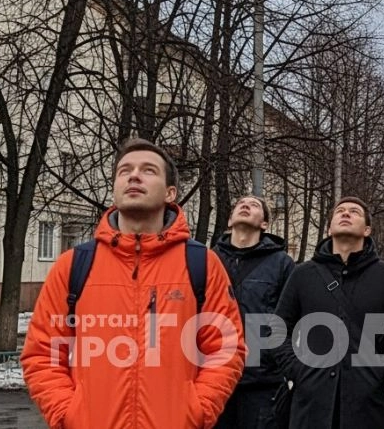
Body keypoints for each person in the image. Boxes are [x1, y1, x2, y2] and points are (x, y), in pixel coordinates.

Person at [22, 138, 246, 429]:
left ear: (170, 192)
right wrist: (68, 414)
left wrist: (197, 410)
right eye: (124, 170)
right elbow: (42, 353)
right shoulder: (72, 265)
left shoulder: (202, 264)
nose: (134, 175)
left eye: (148, 170)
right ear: (115, 188)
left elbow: (225, 349)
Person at [272, 196, 384, 429]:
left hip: (365, 404)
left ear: (367, 230)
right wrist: (297, 371)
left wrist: (383, 372)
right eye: (340, 211)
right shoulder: (303, 275)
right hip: (311, 403)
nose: (346, 214)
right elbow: (278, 329)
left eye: (354, 212)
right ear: (329, 228)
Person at [213, 195, 296, 428]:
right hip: (215, 378)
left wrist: (287, 368)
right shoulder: (210, 260)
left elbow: (292, 319)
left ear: (265, 224)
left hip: (264, 383)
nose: (246, 205)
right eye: (240, 204)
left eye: (255, 205)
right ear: (229, 220)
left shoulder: (281, 263)